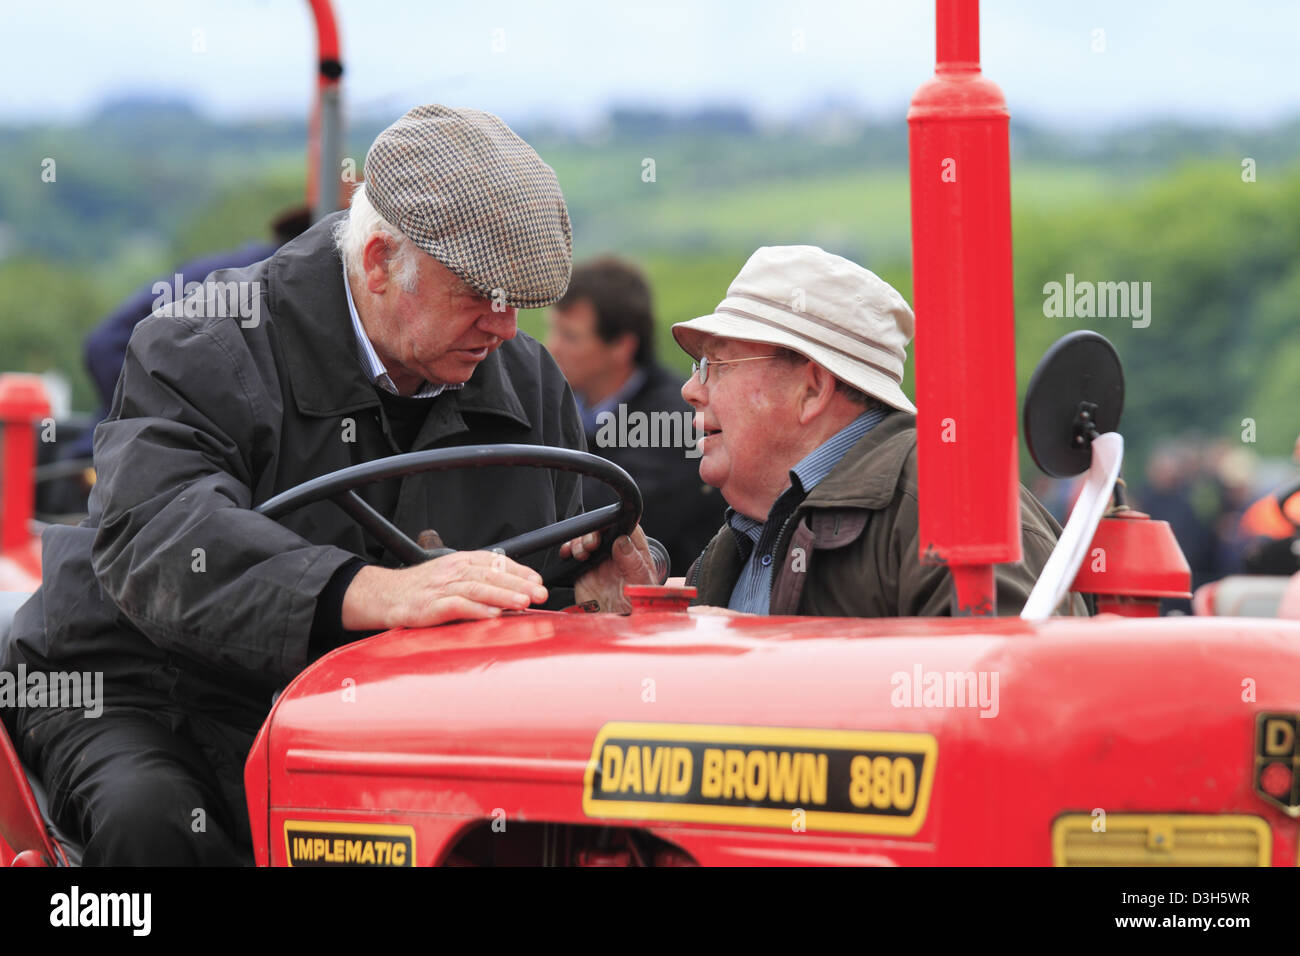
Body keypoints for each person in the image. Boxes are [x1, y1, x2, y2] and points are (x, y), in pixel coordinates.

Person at [0, 104, 652, 866]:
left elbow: (561, 546)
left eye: (519, 300)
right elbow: (161, 536)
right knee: (156, 827)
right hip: (152, 688)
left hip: (383, 711)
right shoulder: (201, 346)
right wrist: (368, 590)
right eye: (481, 294)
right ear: (378, 261)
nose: (507, 327)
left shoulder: (523, 378)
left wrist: (609, 569)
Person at [662, 244, 1083, 617]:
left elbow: (1010, 691)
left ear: (811, 390)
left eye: (717, 365)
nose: (691, 389)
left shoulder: (949, 503)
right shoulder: (743, 541)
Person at [546, 257, 723, 574]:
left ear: (622, 346)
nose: (552, 347)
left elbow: (596, 517)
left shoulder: (673, 423)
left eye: (569, 336)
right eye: (553, 331)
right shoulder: (564, 406)